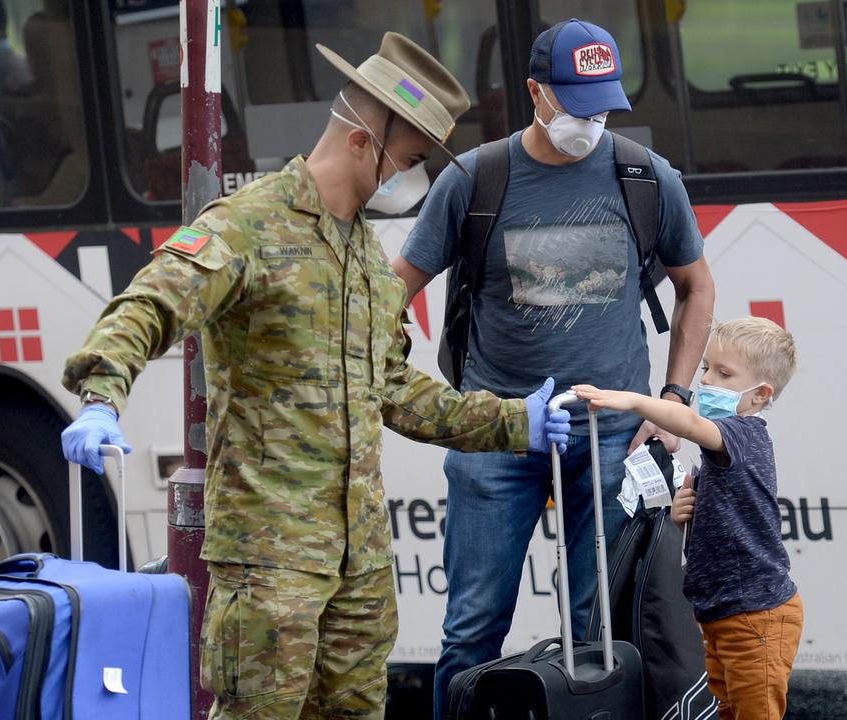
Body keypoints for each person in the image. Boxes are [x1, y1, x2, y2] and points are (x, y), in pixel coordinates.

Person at [60, 33, 570, 720]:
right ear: (365, 140)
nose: (406, 180)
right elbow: (151, 303)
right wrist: (100, 395)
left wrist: (516, 423)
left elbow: (393, 389)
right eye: (408, 160)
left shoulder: (364, 254)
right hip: (269, 562)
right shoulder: (248, 227)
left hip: (357, 565)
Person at [390, 18, 717, 716]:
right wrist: (402, 390)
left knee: (600, 633)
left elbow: (698, 288)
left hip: (610, 436)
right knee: (471, 629)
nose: (589, 121)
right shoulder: (477, 179)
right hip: (498, 433)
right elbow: (392, 290)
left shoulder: (645, 178)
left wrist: (671, 404)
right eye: (574, 104)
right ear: (534, 91)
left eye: (601, 105)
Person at [575, 316, 803, 720]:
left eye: (724, 373)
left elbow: (693, 424)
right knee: (728, 710)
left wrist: (635, 401)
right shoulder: (724, 448)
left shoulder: (741, 434)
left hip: (756, 618)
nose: (707, 382)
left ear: (760, 394)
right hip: (721, 614)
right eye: (706, 369)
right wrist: (687, 514)